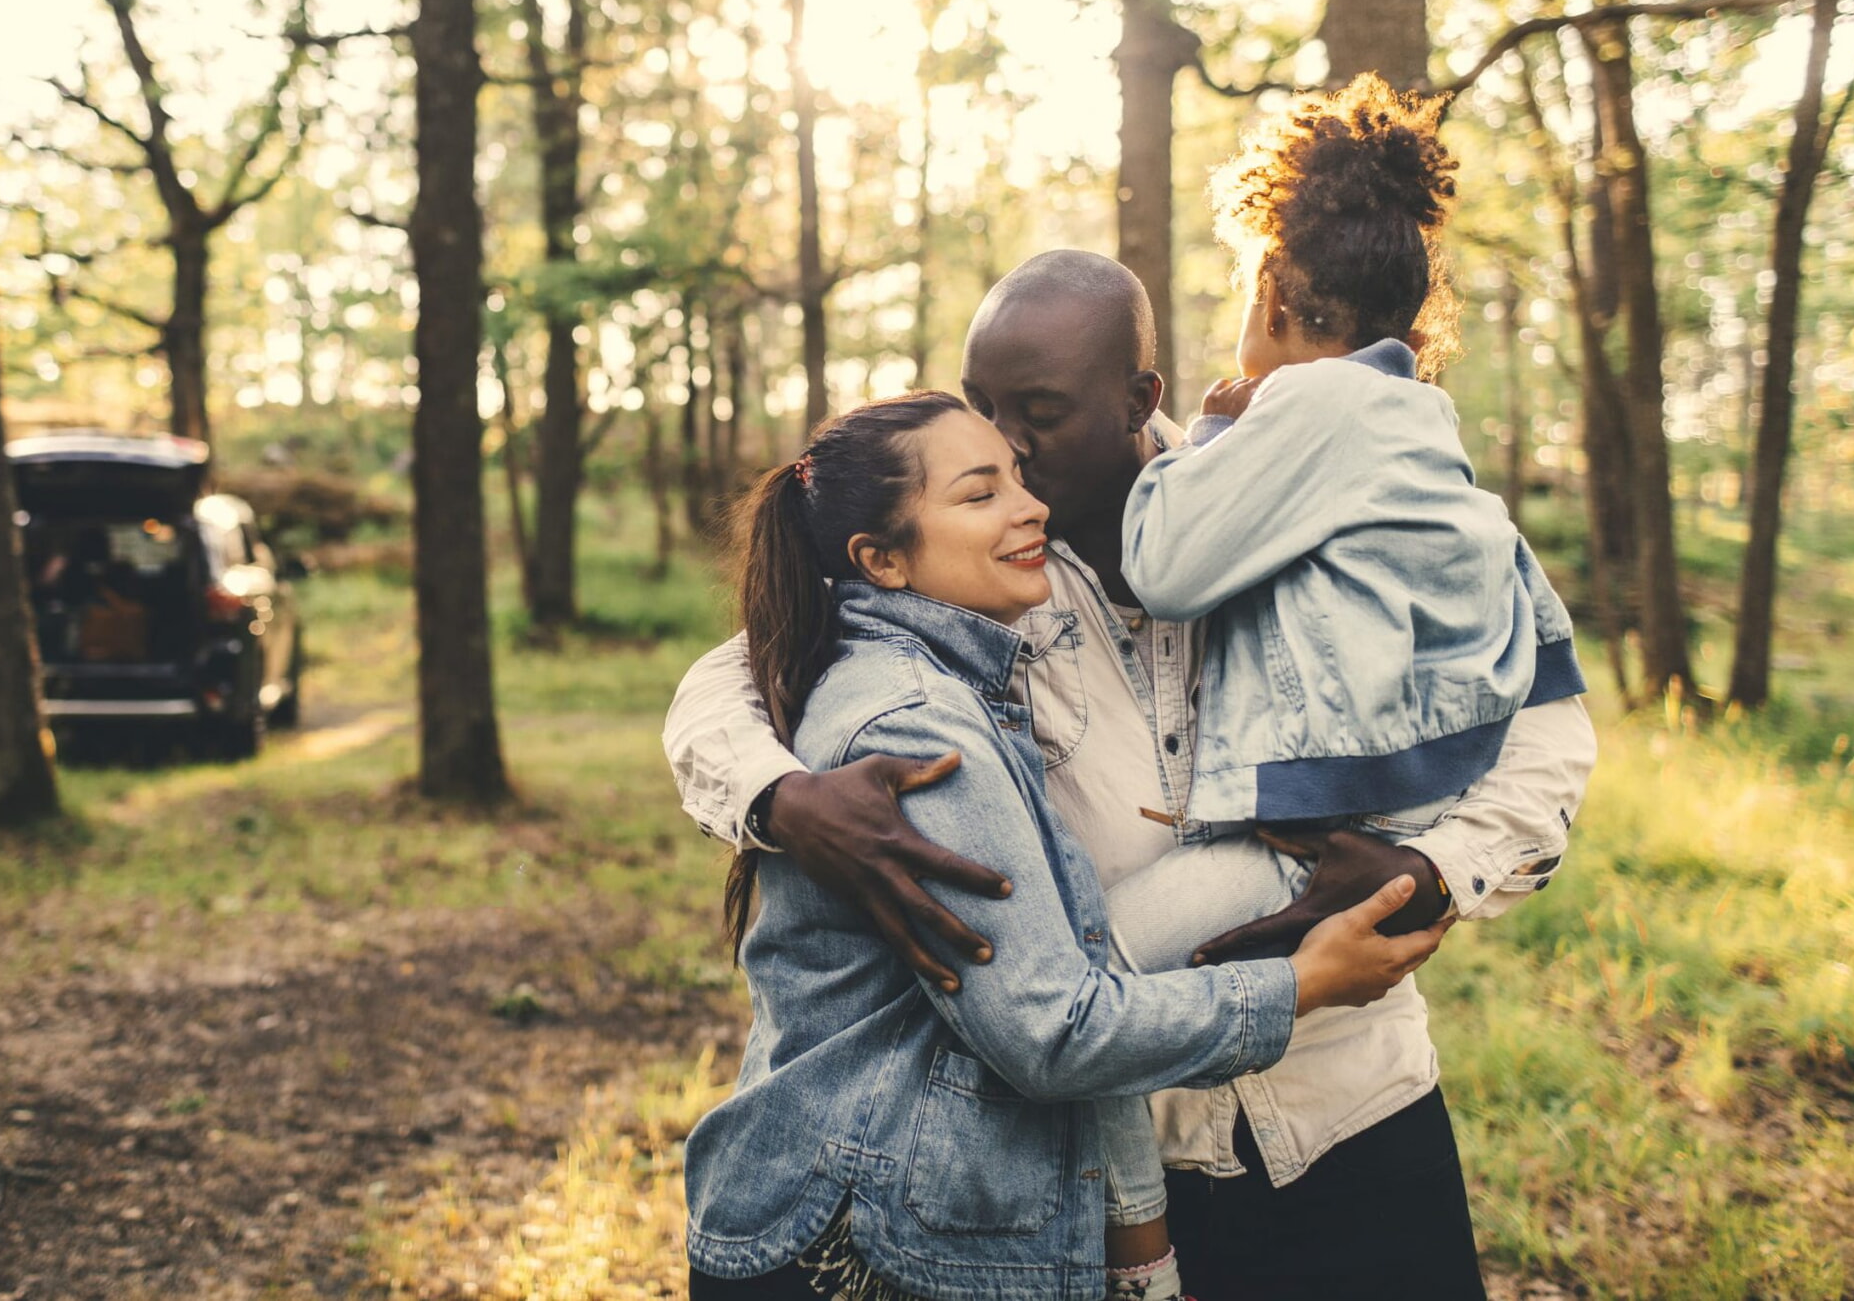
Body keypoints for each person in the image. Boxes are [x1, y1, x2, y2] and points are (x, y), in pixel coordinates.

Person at [664, 248, 1599, 1301]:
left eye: (1042, 412)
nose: (1006, 440)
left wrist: (1426, 870)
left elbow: (1546, 731)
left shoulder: (1338, 486)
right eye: (984, 407)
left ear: (1137, 399)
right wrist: (780, 799)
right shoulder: (986, 555)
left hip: (1349, 1103)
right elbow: (741, 671)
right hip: (1109, 1149)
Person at [1084, 75, 1590, 1290]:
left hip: (1351, 1100)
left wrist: (1430, 874)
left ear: (1267, 292)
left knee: (1082, 982)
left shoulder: (1276, 428)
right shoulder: (1432, 466)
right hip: (1217, 1098)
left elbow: (1160, 561)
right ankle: (1144, 1237)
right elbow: (1543, 679)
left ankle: (1138, 1250)